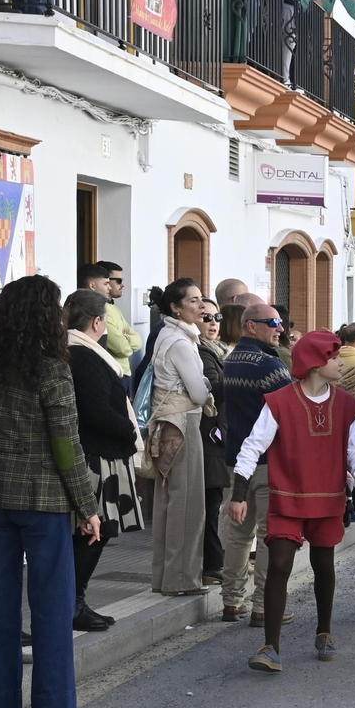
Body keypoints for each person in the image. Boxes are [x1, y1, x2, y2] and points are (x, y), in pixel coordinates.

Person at [0, 276, 101, 708]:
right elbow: (65, 444)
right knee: (51, 606)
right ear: (48, 315)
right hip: (42, 500)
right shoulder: (51, 369)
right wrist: (87, 505)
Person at [234, 331, 355, 672]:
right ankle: (270, 646)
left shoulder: (346, 404)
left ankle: (324, 632)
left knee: (323, 565)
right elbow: (253, 446)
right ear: (314, 364)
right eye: (334, 357)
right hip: (287, 497)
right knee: (279, 564)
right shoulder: (280, 402)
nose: (341, 362)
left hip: (328, 499)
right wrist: (239, 495)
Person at [64, 289, 145, 634]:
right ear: (98, 322)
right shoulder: (84, 355)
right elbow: (95, 411)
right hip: (99, 459)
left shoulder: (80, 352)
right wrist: (129, 430)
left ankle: (75, 601)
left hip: (100, 454)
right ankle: (73, 604)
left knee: (93, 533)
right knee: (92, 534)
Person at [220, 302, 294, 625]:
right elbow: (290, 414)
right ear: (252, 326)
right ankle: (263, 607)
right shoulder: (269, 366)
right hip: (266, 462)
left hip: (235, 461)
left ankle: (231, 602)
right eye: (273, 322)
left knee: (238, 534)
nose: (280, 327)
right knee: (267, 535)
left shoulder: (229, 361)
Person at [147, 279, 211, 596]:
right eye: (194, 301)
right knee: (186, 505)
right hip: (182, 423)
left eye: (202, 300)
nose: (201, 306)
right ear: (176, 307)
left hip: (166, 424)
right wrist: (208, 386)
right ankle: (182, 579)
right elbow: (198, 393)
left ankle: (165, 578)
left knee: (168, 503)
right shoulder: (181, 342)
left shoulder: (166, 335)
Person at [199, 299, 231, 587]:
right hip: (205, 436)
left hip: (216, 436)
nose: (212, 322)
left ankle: (214, 561)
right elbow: (213, 386)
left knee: (214, 500)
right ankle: (212, 563)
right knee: (210, 502)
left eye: (216, 316)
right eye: (206, 316)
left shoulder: (217, 351)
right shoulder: (200, 351)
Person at [96, 261, 142, 393]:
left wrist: (126, 338)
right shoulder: (103, 310)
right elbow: (122, 348)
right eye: (119, 280)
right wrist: (127, 339)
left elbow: (138, 341)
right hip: (114, 374)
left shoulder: (114, 309)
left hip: (124, 374)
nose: (123, 284)